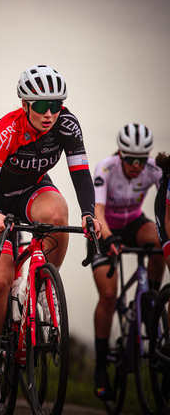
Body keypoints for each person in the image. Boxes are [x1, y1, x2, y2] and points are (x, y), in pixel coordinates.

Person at [0, 64, 102, 404]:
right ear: (25, 104)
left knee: (58, 215)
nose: (49, 113)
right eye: (41, 105)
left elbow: (81, 175)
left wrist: (89, 214)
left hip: (32, 190)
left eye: (56, 105)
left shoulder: (68, 125)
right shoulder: (8, 129)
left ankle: (41, 286)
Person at [91, 123, 165, 401]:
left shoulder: (154, 169)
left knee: (161, 241)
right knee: (108, 295)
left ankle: (153, 299)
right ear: (120, 154)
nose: (136, 165)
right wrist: (108, 238)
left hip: (134, 222)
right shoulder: (106, 168)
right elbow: (97, 211)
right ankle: (100, 368)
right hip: (104, 227)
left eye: (142, 159)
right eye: (130, 159)